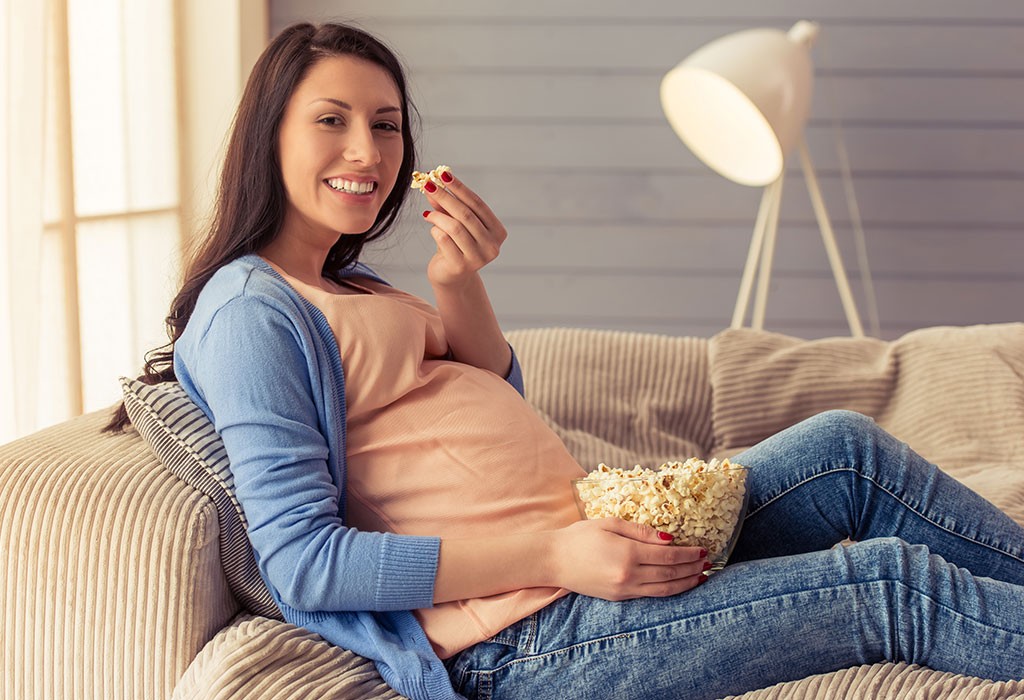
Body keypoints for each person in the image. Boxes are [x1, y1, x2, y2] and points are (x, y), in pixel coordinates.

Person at [108, 21, 1024, 700]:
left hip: (596, 548)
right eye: (332, 121)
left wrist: (458, 278)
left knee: (842, 450)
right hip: (533, 635)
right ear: (269, 132)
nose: (367, 152)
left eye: (386, 126)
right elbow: (307, 562)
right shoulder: (250, 313)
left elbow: (489, 393)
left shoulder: (348, 285)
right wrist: (554, 551)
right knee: (887, 582)